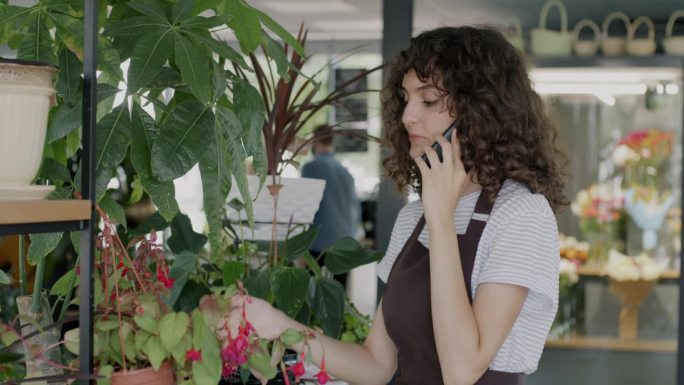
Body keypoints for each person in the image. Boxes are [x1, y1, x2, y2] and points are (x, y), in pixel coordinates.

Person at [229, 26, 568, 385]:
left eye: (429, 100)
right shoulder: (413, 218)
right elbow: (375, 365)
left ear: (481, 110)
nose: (408, 116)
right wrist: (278, 324)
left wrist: (440, 222)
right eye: (405, 99)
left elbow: (462, 370)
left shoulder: (519, 213)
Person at [301, 125, 361, 286]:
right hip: (345, 242)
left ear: (314, 141)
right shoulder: (346, 172)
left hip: (319, 244)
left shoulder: (310, 168)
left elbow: (305, 210)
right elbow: (355, 210)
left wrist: (299, 249)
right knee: (339, 296)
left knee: (315, 296)